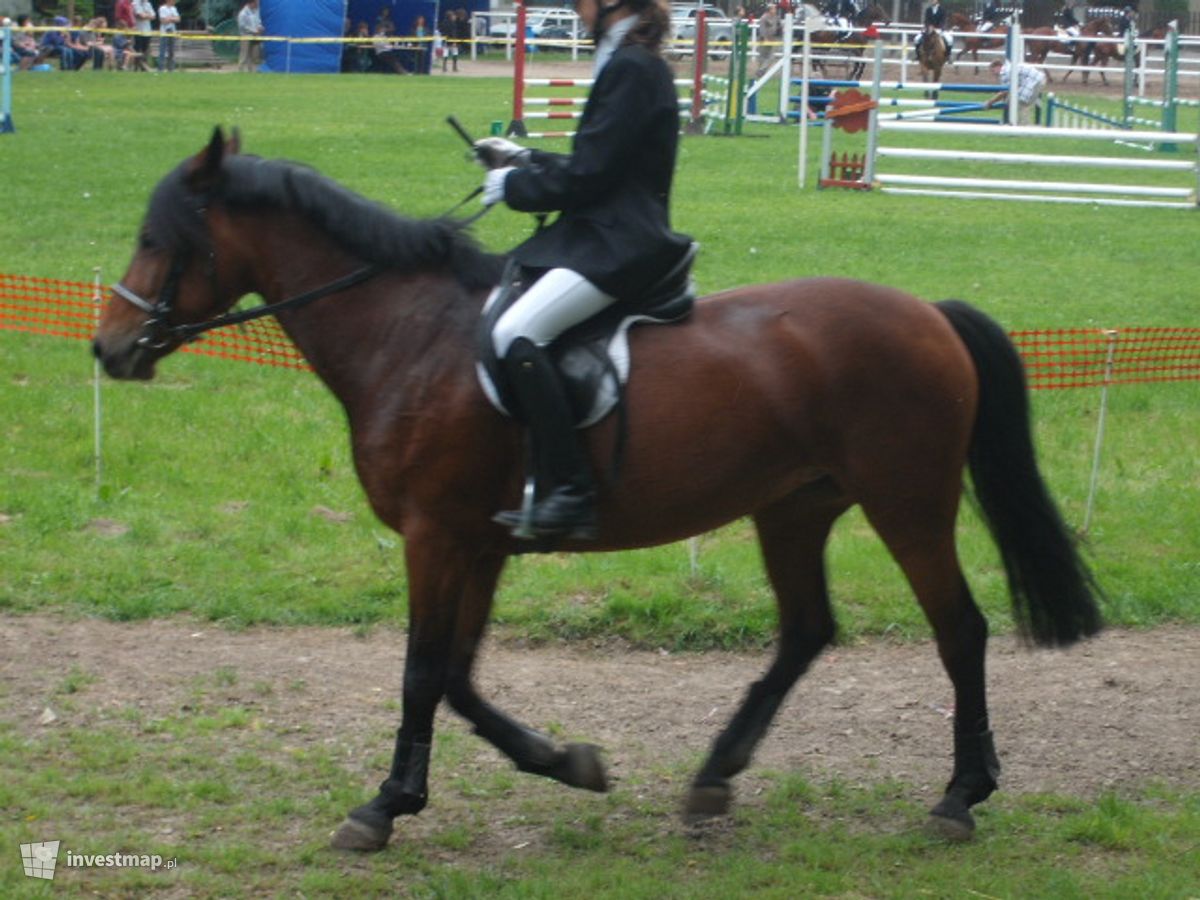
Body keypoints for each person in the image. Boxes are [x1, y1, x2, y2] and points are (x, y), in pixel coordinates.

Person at [471, 0, 693, 540]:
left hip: (621, 242)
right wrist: (523, 158)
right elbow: (599, 160)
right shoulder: (629, 61)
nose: (575, 8)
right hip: (605, 232)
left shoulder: (632, 67)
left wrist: (515, 189)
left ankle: (571, 491)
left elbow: (592, 177)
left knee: (515, 331)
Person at [986, 56, 1046, 125]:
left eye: (993, 71)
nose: (993, 74)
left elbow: (1004, 91)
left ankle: (1023, 127)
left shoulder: (1005, 72)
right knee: (1017, 102)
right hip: (1037, 79)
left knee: (1021, 102)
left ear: (998, 67)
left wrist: (990, 102)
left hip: (1034, 81)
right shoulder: (1008, 68)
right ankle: (1017, 124)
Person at [237, 0, 264, 72]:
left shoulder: (255, 12)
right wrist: (253, 31)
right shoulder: (243, 13)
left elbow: (258, 22)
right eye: (256, 3)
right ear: (251, 3)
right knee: (244, 55)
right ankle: (240, 70)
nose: (257, 5)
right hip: (245, 36)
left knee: (253, 55)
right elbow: (242, 26)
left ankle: (251, 71)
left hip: (255, 36)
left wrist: (260, 27)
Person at [756, 2, 781, 76]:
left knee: (771, 56)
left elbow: (779, 25)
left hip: (772, 39)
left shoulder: (776, 17)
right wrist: (764, 38)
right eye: (774, 8)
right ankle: (761, 71)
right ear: (769, 10)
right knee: (762, 56)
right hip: (763, 40)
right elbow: (762, 29)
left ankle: (761, 70)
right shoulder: (764, 18)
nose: (775, 10)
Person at [157, 1, 180, 72]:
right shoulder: (162, 8)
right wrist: (173, 18)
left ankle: (171, 69)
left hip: (172, 32)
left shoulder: (174, 8)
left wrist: (169, 18)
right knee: (162, 51)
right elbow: (163, 21)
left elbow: (178, 19)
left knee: (171, 51)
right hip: (164, 32)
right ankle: (161, 69)